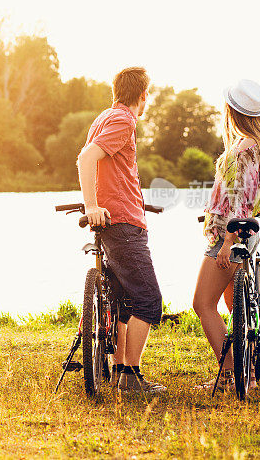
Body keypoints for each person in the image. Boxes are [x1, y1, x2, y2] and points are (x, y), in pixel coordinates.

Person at [192, 79, 260, 392]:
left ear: (231, 113)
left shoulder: (235, 156)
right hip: (251, 236)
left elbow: (235, 206)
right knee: (233, 304)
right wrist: (259, 206)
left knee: (202, 304)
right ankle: (247, 373)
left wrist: (226, 242)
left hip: (230, 238)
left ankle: (227, 376)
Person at [76, 66, 165, 392]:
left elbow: (109, 170)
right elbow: (86, 158)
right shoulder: (123, 120)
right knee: (149, 303)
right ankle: (129, 375)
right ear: (143, 96)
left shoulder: (104, 117)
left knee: (126, 303)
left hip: (120, 219)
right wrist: (92, 206)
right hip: (123, 224)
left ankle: (123, 374)